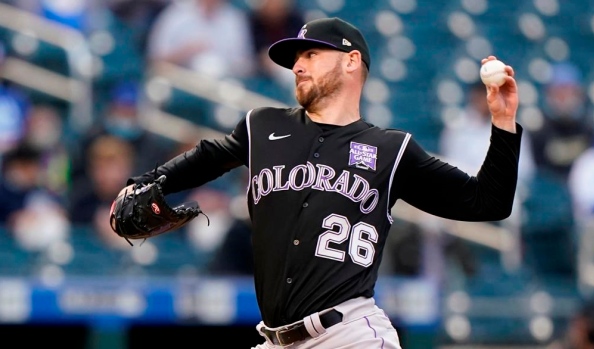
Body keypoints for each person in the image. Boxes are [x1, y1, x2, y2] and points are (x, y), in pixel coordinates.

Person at [112, 17, 523, 348]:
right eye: (296, 59)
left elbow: (487, 202)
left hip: (350, 335)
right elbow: (207, 157)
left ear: (351, 61)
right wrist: (143, 183)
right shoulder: (263, 126)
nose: (298, 65)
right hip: (275, 339)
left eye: (310, 53)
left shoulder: (391, 150)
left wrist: (503, 124)